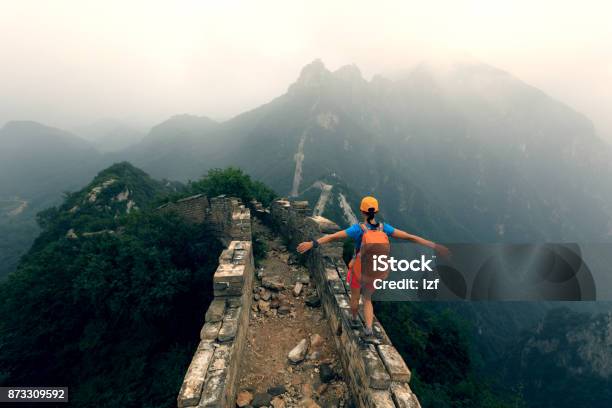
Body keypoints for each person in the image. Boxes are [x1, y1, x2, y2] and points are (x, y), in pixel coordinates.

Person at [297, 196, 450, 344]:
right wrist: (435, 246)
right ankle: (369, 330)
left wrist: (313, 243)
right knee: (368, 299)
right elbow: (409, 237)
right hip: (376, 271)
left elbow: (334, 236)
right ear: (376, 212)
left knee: (355, 297)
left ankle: (355, 319)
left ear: (362, 211)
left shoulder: (358, 229)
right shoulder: (385, 228)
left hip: (358, 270)